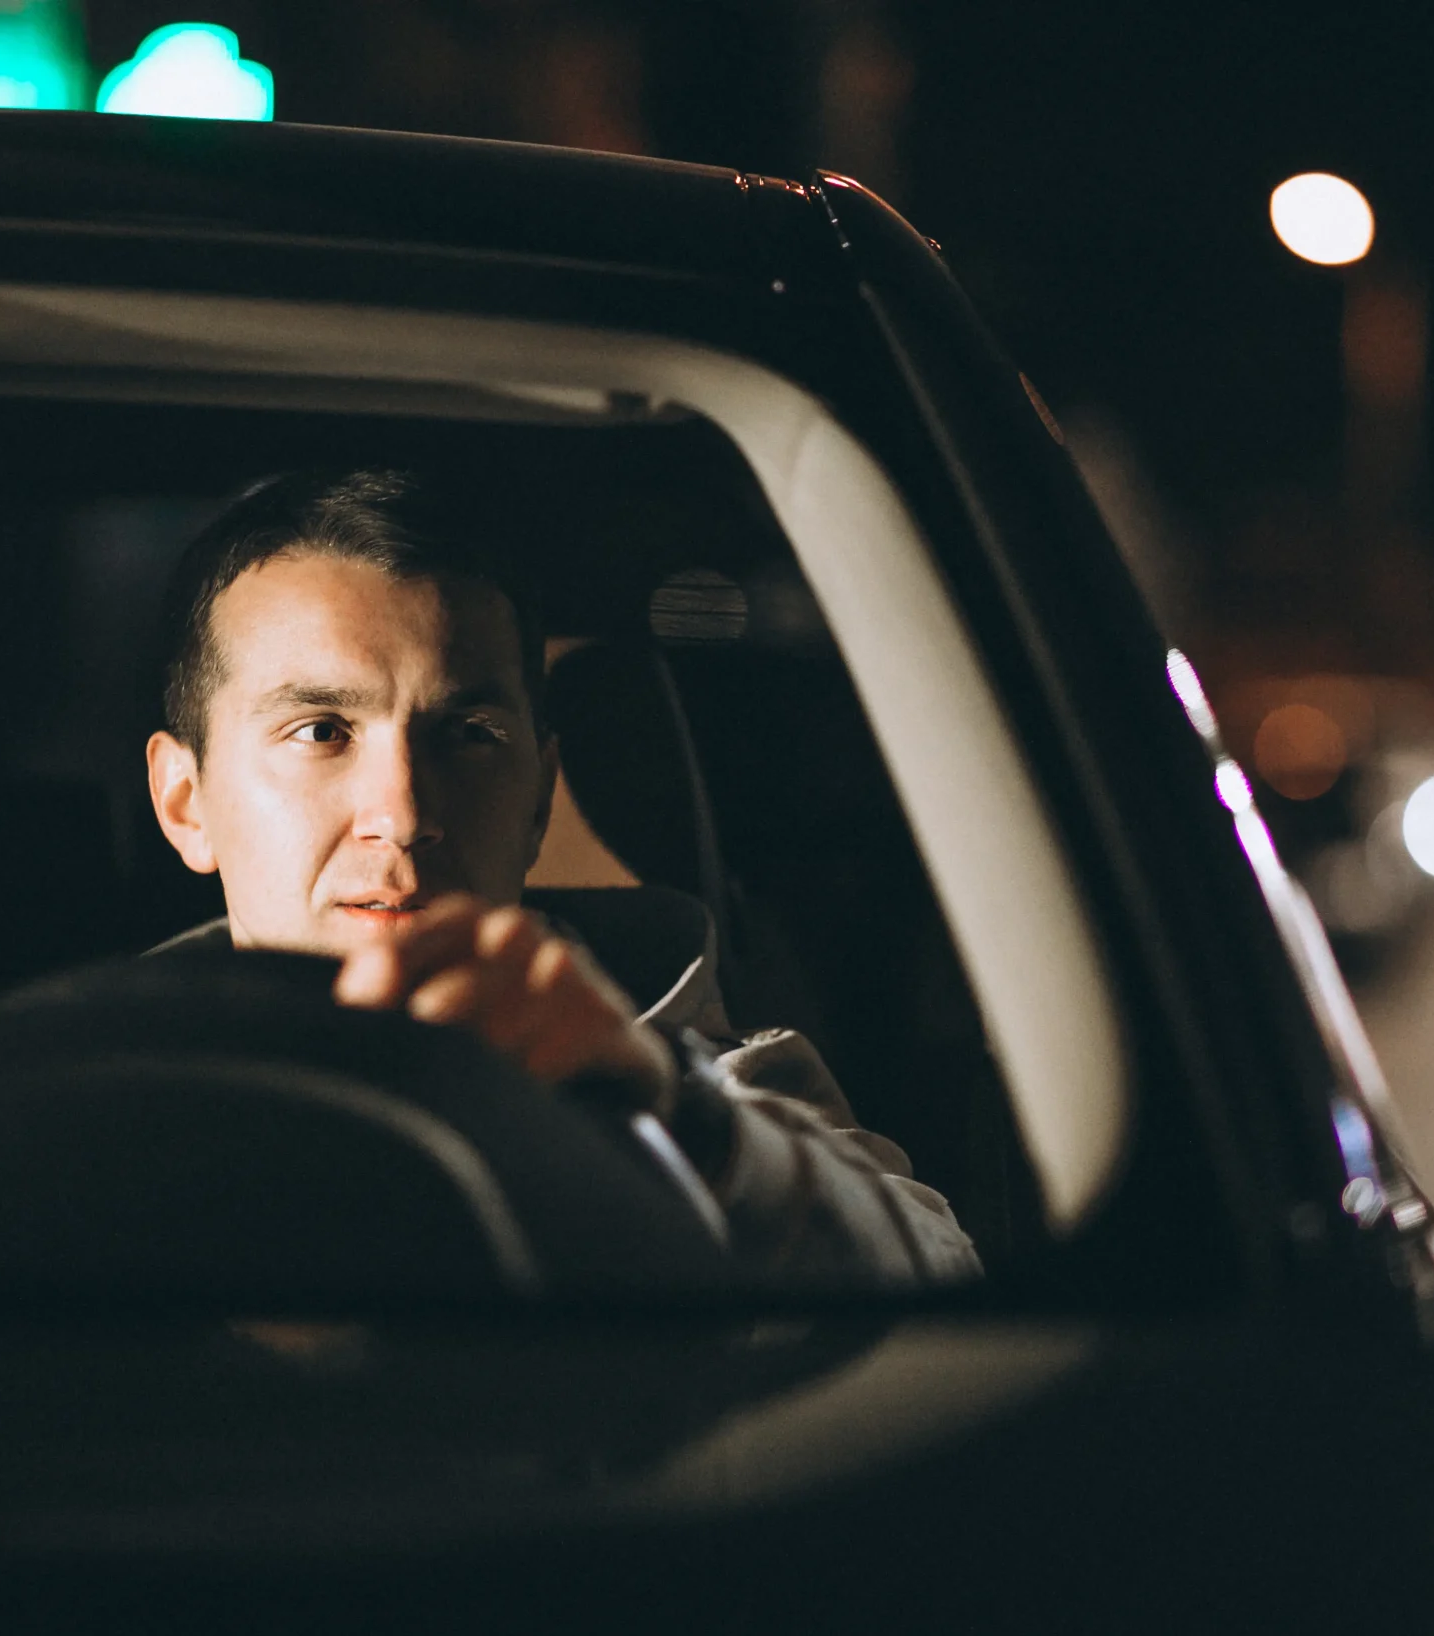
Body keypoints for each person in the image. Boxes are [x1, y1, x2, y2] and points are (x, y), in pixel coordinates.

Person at [142, 468, 979, 1287]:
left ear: (540, 798)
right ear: (186, 803)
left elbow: (936, 1285)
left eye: (468, 734)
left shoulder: (700, 1085)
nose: (401, 813)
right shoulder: (96, 1092)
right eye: (322, 730)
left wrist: (665, 1122)